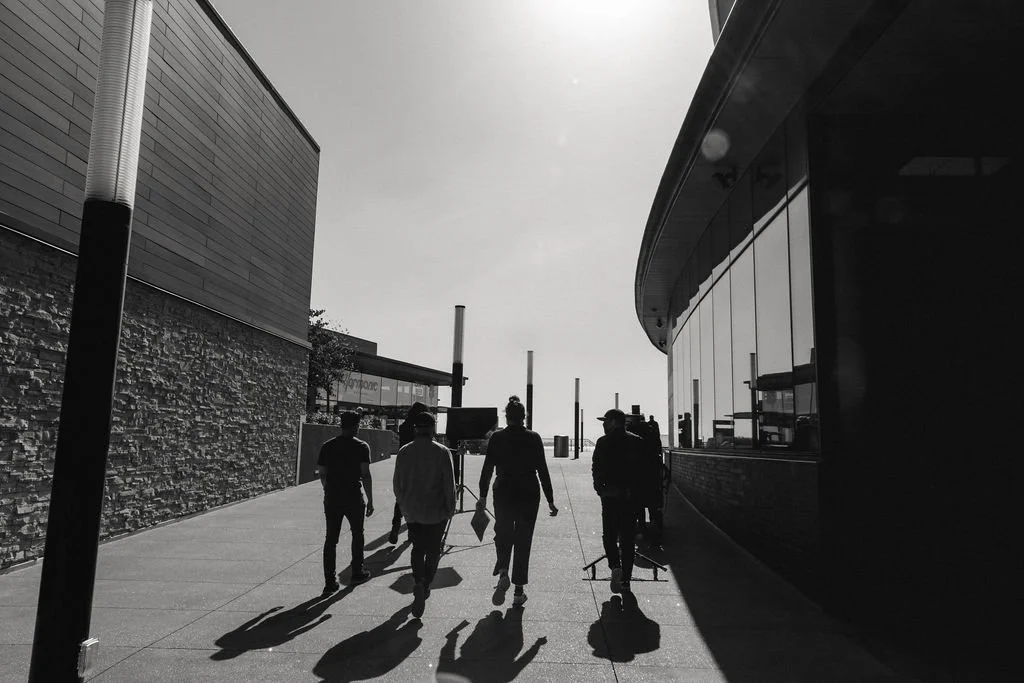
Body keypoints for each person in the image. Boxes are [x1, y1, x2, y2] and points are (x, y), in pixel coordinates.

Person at [478, 396, 558, 608]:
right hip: (528, 491)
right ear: (524, 417)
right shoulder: (534, 438)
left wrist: (483, 495)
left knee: (503, 531)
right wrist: (550, 499)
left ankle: (503, 571)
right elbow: (542, 469)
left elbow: (487, 468)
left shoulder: (497, 438)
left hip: (503, 489)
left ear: (507, 416)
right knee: (524, 540)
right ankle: (518, 591)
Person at [393, 411, 456, 618]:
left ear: (415, 430)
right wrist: (451, 507)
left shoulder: (404, 452)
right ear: (432, 429)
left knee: (417, 548)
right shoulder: (442, 452)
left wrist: (403, 505)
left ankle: (418, 581)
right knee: (434, 549)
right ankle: (427, 584)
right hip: (435, 511)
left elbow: (397, 484)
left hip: (412, 511)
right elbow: (448, 484)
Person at [317, 410, 374, 594]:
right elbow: (365, 474)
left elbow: (322, 472)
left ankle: (329, 581)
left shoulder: (327, 446)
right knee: (358, 534)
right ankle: (357, 572)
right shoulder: (362, 447)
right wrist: (371, 500)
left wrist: (328, 488)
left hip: (333, 497)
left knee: (330, 539)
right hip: (353, 497)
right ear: (356, 426)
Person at [592, 408, 643, 594]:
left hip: (610, 497)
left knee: (609, 536)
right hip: (630, 498)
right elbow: (644, 472)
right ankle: (626, 580)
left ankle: (615, 567)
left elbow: (596, 467)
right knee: (628, 539)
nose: (604, 424)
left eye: (605, 421)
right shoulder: (637, 442)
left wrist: (600, 489)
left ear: (614, 422)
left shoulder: (603, 442)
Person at [389, 401, 430, 544]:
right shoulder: (417, 428)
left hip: (404, 464)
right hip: (418, 466)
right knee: (417, 499)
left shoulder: (403, 426)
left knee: (400, 499)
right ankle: (412, 533)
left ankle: (395, 526)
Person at [637, 415, 665, 548]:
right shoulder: (652, 430)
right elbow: (658, 450)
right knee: (654, 509)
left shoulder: (635, 433)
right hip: (653, 476)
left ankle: (642, 530)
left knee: (639, 507)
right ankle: (656, 537)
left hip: (640, 476)